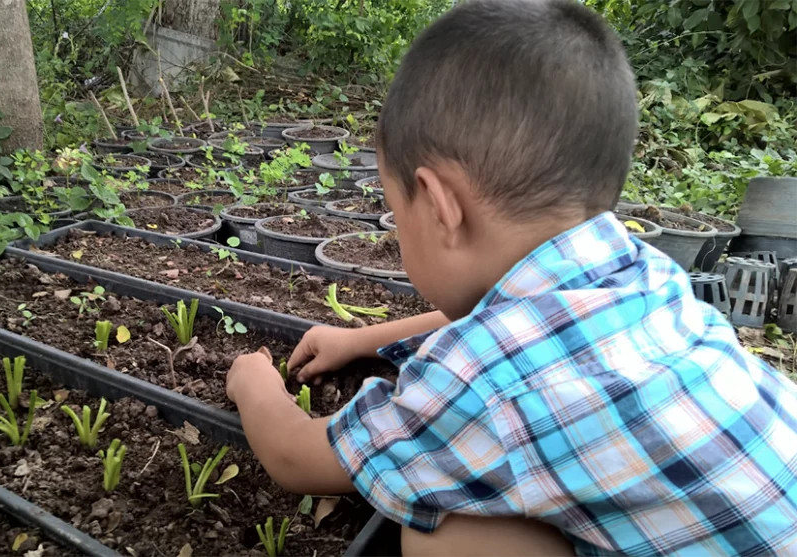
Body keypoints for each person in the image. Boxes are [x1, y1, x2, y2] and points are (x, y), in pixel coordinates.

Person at [225, 0, 797, 555]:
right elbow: (515, 326)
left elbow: (297, 457)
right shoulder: (644, 271)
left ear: (440, 206)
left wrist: (253, 383)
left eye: (397, 213)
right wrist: (358, 338)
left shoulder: (483, 387)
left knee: (449, 526)